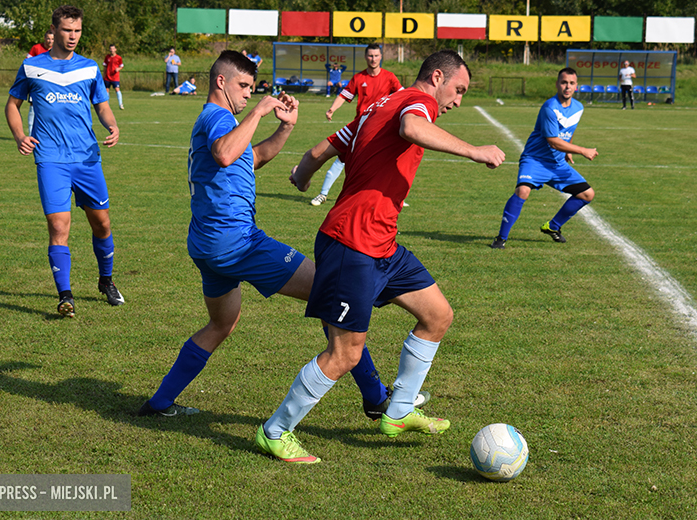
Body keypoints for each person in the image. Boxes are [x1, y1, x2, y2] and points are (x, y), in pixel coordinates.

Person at [137, 50, 423, 421]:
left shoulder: (222, 123)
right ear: (220, 82)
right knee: (329, 294)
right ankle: (375, 397)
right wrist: (257, 112)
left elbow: (250, 157)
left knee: (222, 323)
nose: (247, 95)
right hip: (237, 242)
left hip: (208, 244)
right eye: (243, 87)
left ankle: (158, 403)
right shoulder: (216, 116)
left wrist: (284, 127)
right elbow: (226, 154)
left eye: (252, 89)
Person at [255, 50, 506, 464]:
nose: (458, 100)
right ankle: (275, 430)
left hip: (382, 244)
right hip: (351, 243)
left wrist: (301, 176)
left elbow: (323, 147)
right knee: (345, 354)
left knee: (438, 316)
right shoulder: (415, 103)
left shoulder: (377, 107)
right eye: (458, 90)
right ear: (437, 77)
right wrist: (474, 150)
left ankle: (400, 410)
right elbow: (412, 127)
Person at [4, 5, 124, 317]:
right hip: (51, 159)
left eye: (78, 31)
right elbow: (12, 105)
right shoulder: (32, 67)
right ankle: (65, 296)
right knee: (59, 225)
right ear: (54, 30)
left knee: (102, 223)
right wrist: (20, 136)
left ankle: (106, 280)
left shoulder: (89, 67)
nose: (73, 36)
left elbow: (102, 105)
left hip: (86, 159)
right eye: (67, 30)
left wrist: (112, 125)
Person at [490, 67, 598, 250]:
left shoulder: (578, 108)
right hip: (535, 160)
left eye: (571, 83)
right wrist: (582, 150)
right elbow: (553, 142)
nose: (567, 87)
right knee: (523, 191)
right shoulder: (550, 108)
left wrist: (568, 150)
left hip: (557, 164)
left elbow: (567, 131)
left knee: (587, 194)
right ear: (557, 84)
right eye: (564, 82)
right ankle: (501, 238)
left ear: (576, 86)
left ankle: (553, 226)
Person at [310, 44, 403, 207]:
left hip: (381, 129)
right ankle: (323, 194)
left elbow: (403, 95)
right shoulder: (359, 78)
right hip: (360, 128)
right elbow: (344, 95)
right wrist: (332, 108)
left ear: (381, 57)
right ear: (366, 57)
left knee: (385, 162)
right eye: (370, 56)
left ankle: (391, 197)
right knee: (342, 159)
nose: (373, 59)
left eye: (376, 56)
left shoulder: (390, 77)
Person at [25, 30, 54, 135]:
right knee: (33, 106)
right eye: (48, 38)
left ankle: (48, 133)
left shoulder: (57, 50)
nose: (50, 41)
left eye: (52, 39)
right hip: (37, 83)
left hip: (51, 84)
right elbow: (27, 63)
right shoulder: (36, 48)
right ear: (44, 38)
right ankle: (30, 133)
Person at [103, 44, 124, 110]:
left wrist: (118, 68)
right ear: (109, 49)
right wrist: (104, 76)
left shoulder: (118, 57)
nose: (112, 50)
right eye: (110, 49)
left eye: (113, 49)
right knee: (106, 90)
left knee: (117, 89)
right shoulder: (107, 57)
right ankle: (107, 105)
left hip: (115, 77)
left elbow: (121, 65)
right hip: (107, 77)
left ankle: (120, 104)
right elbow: (105, 67)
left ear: (115, 49)